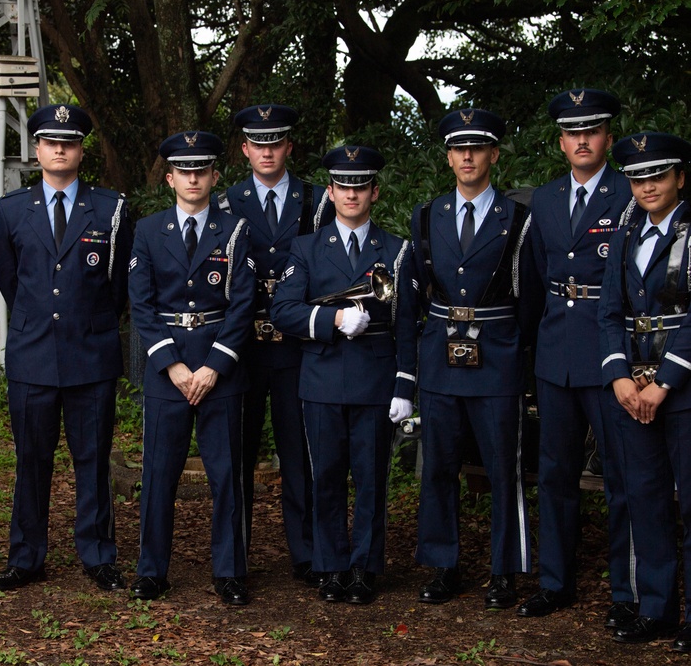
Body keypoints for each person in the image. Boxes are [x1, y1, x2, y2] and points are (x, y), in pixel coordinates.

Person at [0, 104, 133, 593]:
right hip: (32, 356)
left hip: (90, 355)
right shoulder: (11, 209)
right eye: (50, 141)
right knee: (32, 459)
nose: (59, 149)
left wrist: (85, 322)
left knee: (92, 458)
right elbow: (9, 279)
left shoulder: (111, 208)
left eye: (68, 142)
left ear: (80, 150)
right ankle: (26, 557)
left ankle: (98, 555)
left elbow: (117, 289)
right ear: (36, 149)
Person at [270, 146, 417, 604]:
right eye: (343, 187)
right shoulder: (306, 248)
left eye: (361, 186)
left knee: (372, 479)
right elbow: (283, 310)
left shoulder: (397, 250)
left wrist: (405, 385)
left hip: (376, 381)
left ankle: (365, 568)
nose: (352, 194)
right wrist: (331, 321)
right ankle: (330, 566)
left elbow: (409, 324)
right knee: (326, 476)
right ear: (330, 193)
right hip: (322, 378)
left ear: (374, 191)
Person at [407, 108, 539, 609]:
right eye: (459, 148)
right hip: (441, 355)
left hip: (498, 355)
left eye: (477, 147)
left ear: (493, 155)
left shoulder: (518, 218)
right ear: (448, 158)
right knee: (439, 465)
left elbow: (529, 298)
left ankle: (504, 571)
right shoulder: (427, 215)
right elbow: (419, 287)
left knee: (504, 468)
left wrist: (511, 346)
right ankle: (444, 565)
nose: (467, 156)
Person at [517, 89, 638, 625]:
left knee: (622, 474)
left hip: (610, 353)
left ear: (607, 137)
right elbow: (537, 280)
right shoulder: (542, 200)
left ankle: (628, 591)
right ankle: (555, 582)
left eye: (592, 130)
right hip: (555, 351)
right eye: (573, 132)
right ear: (562, 142)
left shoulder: (629, 193)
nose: (582, 140)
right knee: (555, 473)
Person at [128, 131, 254, 604]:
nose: (194, 177)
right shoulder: (148, 230)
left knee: (227, 476)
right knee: (160, 474)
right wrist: (172, 365)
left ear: (215, 176)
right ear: (170, 178)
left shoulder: (236, 229)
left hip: (220, 370)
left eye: (202, 170)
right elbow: (140, 305)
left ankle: (230, 571)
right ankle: (151, 570)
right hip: (168, 371)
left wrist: (213, 366)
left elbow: (243, 304)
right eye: (185, 170)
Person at [216, 104, 330, 586]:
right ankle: (236, 557)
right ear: (245, 150)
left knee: (299, 452)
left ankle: (305, 554)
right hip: (241, 346)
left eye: (275, 142)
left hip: (294, 346)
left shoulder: (316, 200)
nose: (267, 151)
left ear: (288, 147)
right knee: (236, 453)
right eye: (257, 143)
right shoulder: (225, 202)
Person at [599, 132, 691, 649]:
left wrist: (666, 382)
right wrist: (617, 376)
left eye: (658, 175)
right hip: (632, 390)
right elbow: (607, 311)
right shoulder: (627, 236)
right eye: (637, 177)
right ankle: (655, 608)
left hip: (680, 389)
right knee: (646, 501)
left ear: (680, 177)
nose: (648, 185)